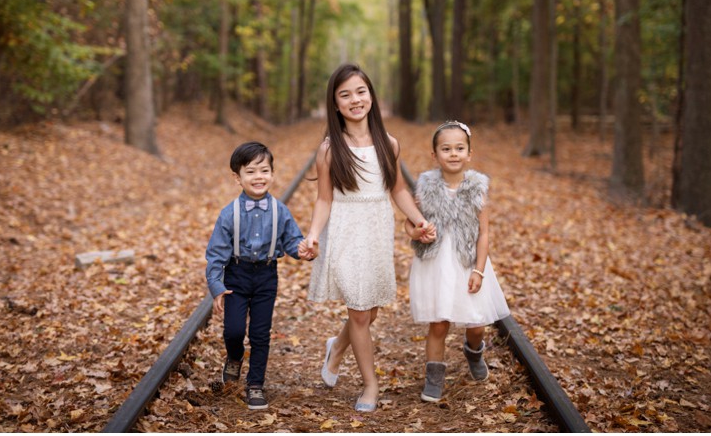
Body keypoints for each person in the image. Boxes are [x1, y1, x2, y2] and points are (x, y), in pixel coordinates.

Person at [298, 63, 435, 412]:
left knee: (369, 312)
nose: (355, 100)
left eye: (360, 91)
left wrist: (418, 220)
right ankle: (370, 385)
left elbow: (398, 190)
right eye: (345, 95)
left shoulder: (389, 144)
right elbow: (324, 198)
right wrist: (313, 235)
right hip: (345, 230)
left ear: (371, 96)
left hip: (376, 229)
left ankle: (338, 347)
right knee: (359, 313)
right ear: (335, 104)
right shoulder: (330, 149)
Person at [404, 120, 511, 403]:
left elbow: (484, 232)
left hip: (467, 263)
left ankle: (473, 351)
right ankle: (434, 378)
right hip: (436, 264)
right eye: (446, 148)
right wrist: (416, 232)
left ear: (469, 154)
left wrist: (479, 269)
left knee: (476, 324)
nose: (453, 154)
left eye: (459, 148)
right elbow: (408, 222)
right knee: (438, 323)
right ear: (435, 154)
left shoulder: (477, 189)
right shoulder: (425, 188)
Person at [205, 141, 307, 411]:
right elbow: (216, 255)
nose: (258, 177)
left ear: (272, 174)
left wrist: (305, 250)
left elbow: (292, 242)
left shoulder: (280, 211)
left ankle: (255, 384)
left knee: (260, 333)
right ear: (237, 178)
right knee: (234, 330)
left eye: (264, 171)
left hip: (266, 275)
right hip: (236, 276)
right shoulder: (229, 214)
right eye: (251, 172)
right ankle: (235, 357)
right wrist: (216, 287)